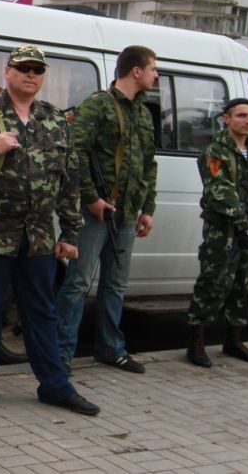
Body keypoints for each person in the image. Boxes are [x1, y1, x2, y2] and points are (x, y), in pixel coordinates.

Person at [0, 45, 100, 416]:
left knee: (42, 311)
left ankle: (55, 385)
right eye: (23, 68)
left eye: (37, 70)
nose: (31, 75)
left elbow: (69, 179)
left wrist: (71, 233)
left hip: (39, 236)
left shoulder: (55, 119)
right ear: (7, 71)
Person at [56, 45, 158, 375]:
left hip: (126, 214)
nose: (156, 75)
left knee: (116, 285)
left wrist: (147, 208)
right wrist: (90, 198)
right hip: (97, 213)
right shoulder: (99, 105)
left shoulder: (142, 112)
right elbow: (76, 153)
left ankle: (111, 348)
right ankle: (61, 353)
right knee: (78, 282)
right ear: (136, 71)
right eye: (153, 68)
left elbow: (148, 164)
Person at [186, 98, 248, 368]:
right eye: (241, 115)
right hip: (224, 233)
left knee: (240, 285)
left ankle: (234, 340)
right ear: (226, 119)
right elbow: (219, 192)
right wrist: (242, 222)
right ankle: (196, 342)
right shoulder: (215, 152)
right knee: (212, 283)